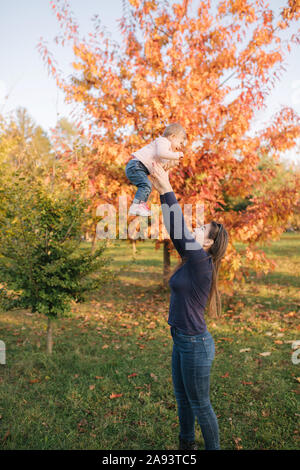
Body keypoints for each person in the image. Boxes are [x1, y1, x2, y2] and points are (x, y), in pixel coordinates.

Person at [149, 161, 229, 451]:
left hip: (195, 344)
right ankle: (186, 447)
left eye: (201, 229)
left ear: (208, 243)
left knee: (201, 404)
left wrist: (167, 186)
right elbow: (175, 229)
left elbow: (180, 229)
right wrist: (161, 190)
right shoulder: (193, 260)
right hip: (181, 339)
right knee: (182, 398)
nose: (195, 228)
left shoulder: (201, 262)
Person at [125, 123, 186, 217]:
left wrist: (171, 164)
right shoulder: (163, 141)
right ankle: (136, 205)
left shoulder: (166, 150)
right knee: (146, 185)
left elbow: (161, 169)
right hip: (135, 165)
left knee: (147, 186)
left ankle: (139, 205)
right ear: (173, 137)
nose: (180, 147)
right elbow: (161, 153)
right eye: (180, 142)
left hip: (139, 167)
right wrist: (176, 155)